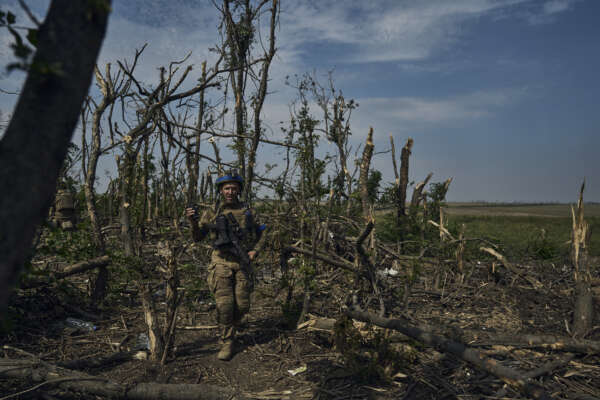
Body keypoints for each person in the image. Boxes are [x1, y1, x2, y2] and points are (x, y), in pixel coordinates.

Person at [186, 171, 267, 361]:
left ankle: (230, 326)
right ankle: (227, 341)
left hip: (242, 263)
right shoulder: (211, 213)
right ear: (221, 191)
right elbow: (197, 237)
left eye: (233, 188)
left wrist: (255, 251)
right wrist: (192, 222)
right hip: (221, 262)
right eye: (226, 188)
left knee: (243, 305)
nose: (230, 191)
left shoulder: (249, 212)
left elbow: (263, 233)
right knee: (225, 305)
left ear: (239, 190)